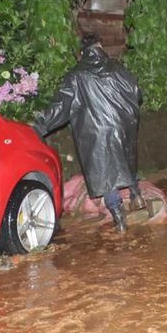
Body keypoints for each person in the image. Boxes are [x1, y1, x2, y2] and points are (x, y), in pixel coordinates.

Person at [33, 35, 143, 232]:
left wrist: (39, 126)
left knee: (107, 174)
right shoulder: (118, 67)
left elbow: (61, 106)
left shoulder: (77, 76)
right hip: (123, 125)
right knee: (126, 161)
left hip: (98, 131)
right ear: (99, 47)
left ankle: (119, 218)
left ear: (81, 53)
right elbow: (136, 92)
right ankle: (136, 195)